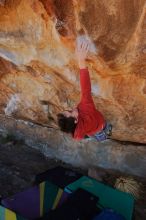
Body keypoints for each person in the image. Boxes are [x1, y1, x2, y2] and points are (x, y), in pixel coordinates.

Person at [57, 39, 112, 141]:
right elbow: (85, 88)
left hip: (91, 131)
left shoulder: (75, 132)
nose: (72, 108)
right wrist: (81, 60)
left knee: (95, 134)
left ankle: (101, 135)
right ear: (76, 120)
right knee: (104, 127)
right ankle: (106, 129)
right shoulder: (86, 110)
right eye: (70, 111)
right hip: (100, 124)